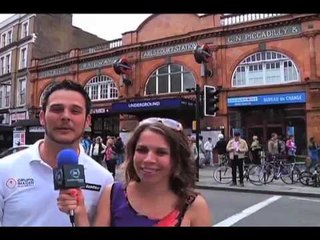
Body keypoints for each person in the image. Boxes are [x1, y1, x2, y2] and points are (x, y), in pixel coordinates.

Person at [57, 117, 211, 226]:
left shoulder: (194, 206)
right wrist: (80, 211)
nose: (149, 159)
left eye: (161, 152)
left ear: (177, 158)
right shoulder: (112, 194)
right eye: (142, 150)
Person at [0, 80, 114, 226]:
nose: (65, 116)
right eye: (57, 109)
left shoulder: (104, 179)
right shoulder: (4, 169)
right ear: (42, 117)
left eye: (75, 111)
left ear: (87, 121)